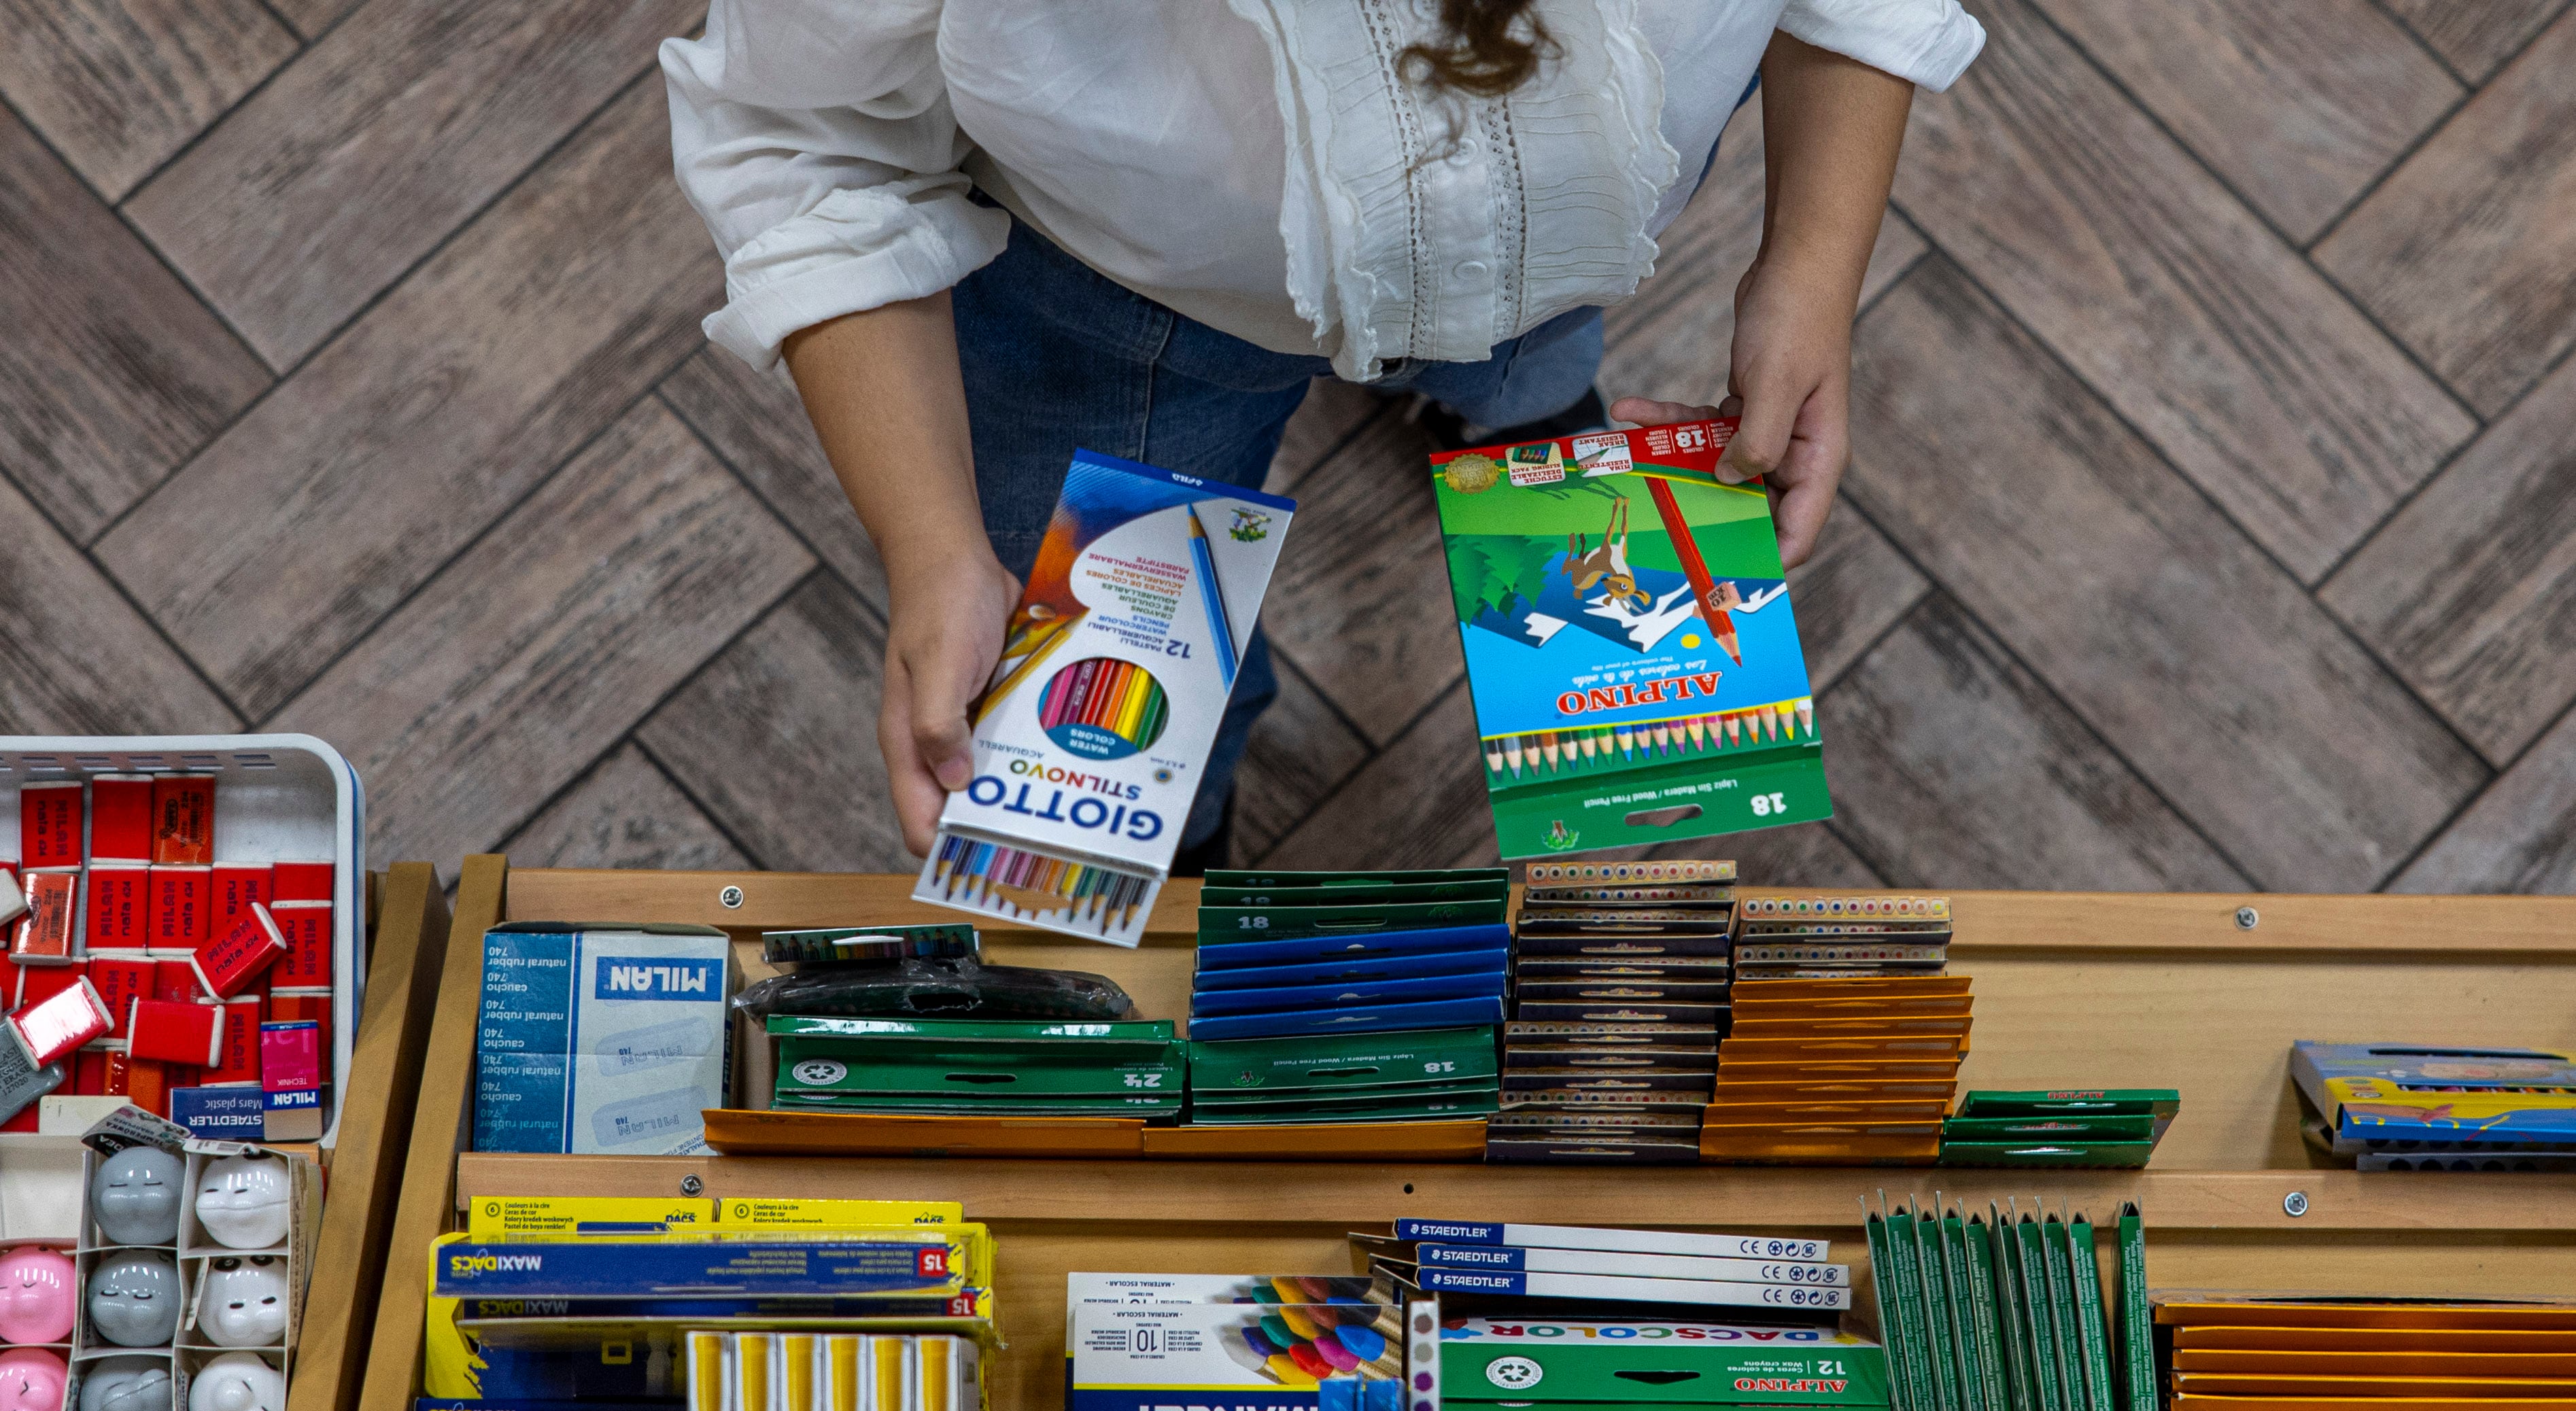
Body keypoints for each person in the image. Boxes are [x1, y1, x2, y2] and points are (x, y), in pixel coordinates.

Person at [662, 0, 1982, 868]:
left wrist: (1812, 259)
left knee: (1523, 365)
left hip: (1564, 241)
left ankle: (1511, 403)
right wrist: (936, 540)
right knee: (1138, 703)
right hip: (1123, 311)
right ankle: (1177, 817)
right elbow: (800, 135)